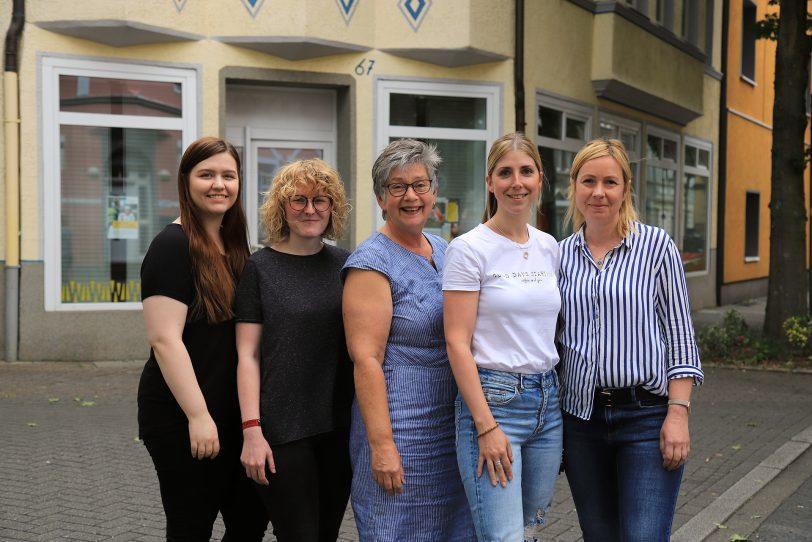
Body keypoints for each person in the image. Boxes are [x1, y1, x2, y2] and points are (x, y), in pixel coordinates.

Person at [557, 138, 704, 541]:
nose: (598, 192)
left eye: (610, 181)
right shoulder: (558, 255)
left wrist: (678, 415)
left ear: (625, 188)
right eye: (588, 181)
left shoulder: (657, 247)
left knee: (644, 536)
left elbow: (680, 337)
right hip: (582, 421)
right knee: (599, 535)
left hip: (646, 417)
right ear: (574, 186)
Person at [342, 139, 476, 540]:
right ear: (381, 198)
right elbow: (366, 360)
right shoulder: (370, 263)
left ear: (434, 191)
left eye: (420, 184)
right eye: (397, 187)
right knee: (396, 528)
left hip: (449, 425)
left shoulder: (444, 249)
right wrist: (382, 446)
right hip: (401, 425)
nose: (411, 196)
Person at [137, 136, 268, 541]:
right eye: (206, 174)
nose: (219, 184)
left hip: (231, 415)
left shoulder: (234, 247)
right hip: (184, 415)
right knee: (191, 527)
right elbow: (164, 340)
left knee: (249, 522)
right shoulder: (172, 245)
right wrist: (198, 416)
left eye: (228, 175)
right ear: (185, 181)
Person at [443, 132, 563, 541]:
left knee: (528, 532)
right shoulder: (469, 249)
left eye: (526, 171)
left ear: (540, 180)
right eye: (506, 172)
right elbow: (456, 342)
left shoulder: (550, 247)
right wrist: (485, 426)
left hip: (548, 405)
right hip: (495, 404)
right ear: (490, 181)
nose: (517, 182)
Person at [235, 159, 354, 541]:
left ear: (332, 207)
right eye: (298, 200)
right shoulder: (260, 268)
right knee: (298, 535)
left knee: (327, 535)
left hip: (338, 426)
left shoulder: (346, 264)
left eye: (321, 200)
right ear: (281, 207)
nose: (310, 209)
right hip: (282, 431)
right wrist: (252, 431)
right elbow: (247, 356)